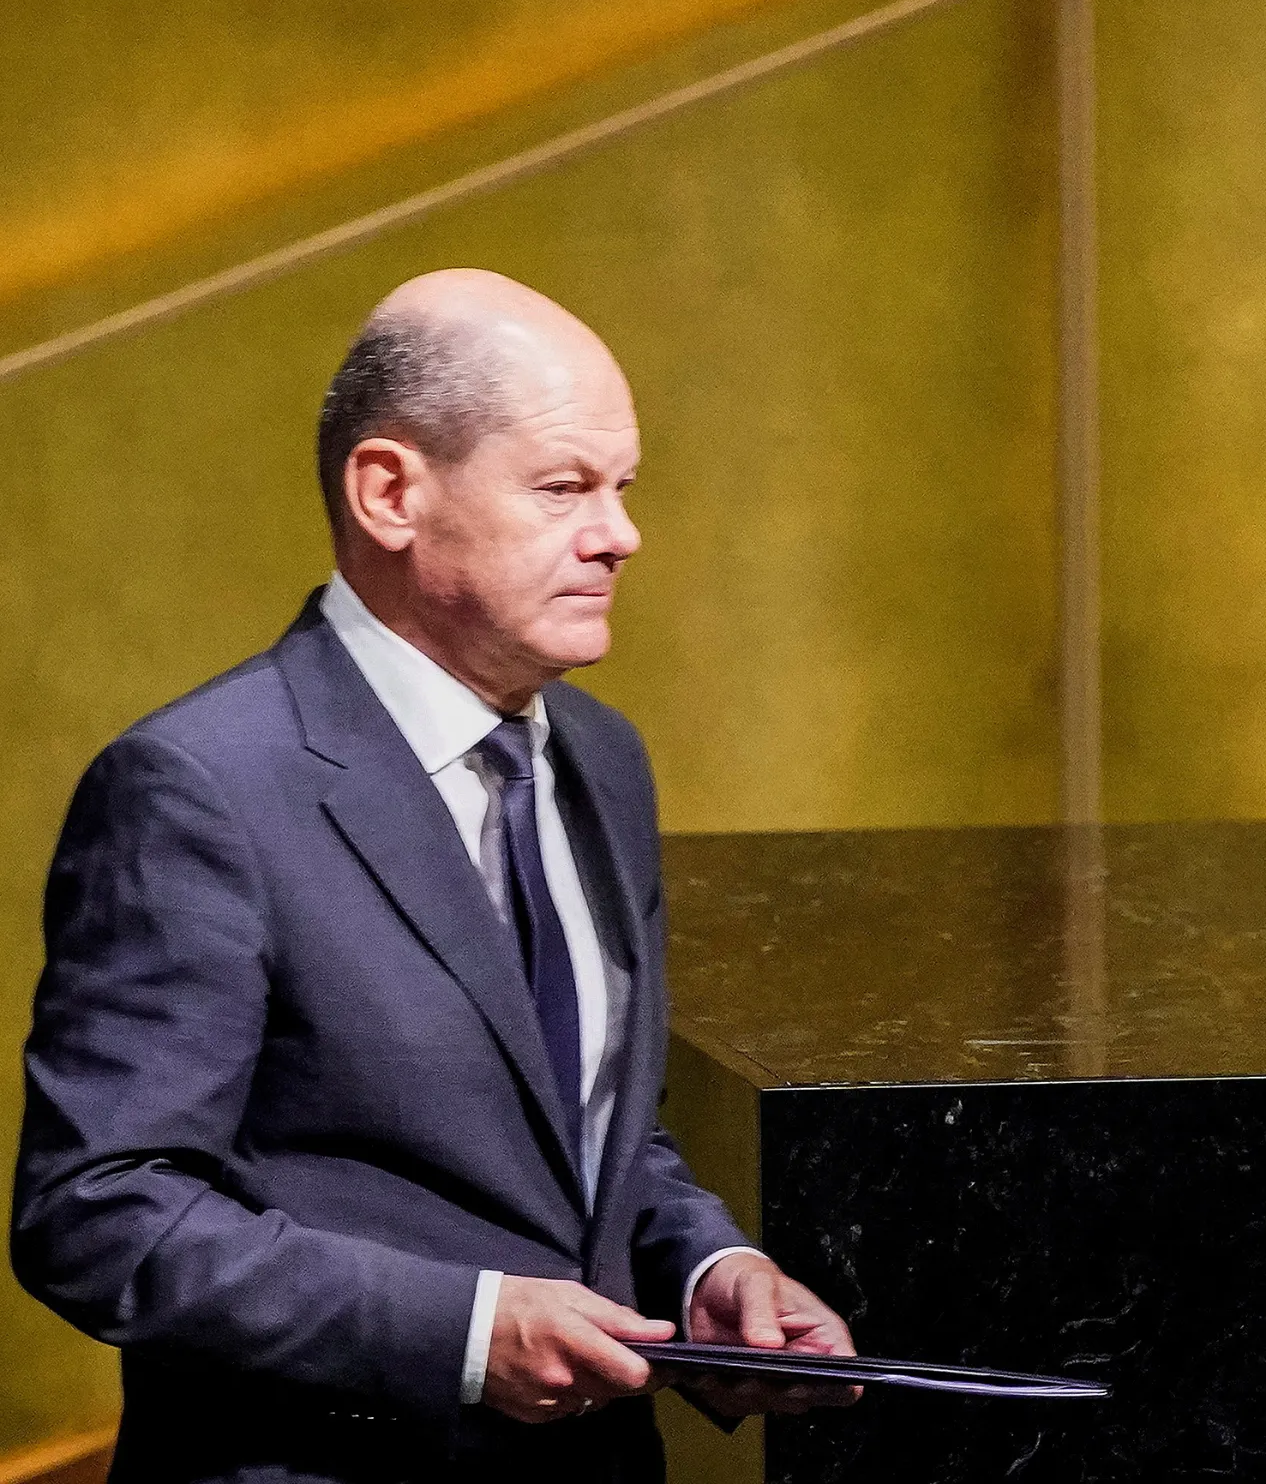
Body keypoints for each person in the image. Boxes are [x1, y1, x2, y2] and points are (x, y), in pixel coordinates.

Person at [12, 269, 855, 1483]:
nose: (621, 532)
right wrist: (461, 1334)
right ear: (390, 491)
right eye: (565, 487)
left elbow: (589, 1129)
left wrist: (711, 1272)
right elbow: (101, 1211)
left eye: (622, 489)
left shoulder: (603, 758)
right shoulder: (197, 788)